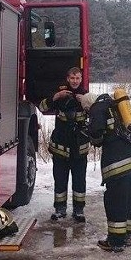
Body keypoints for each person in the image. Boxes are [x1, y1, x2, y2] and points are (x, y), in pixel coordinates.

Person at [79, 92, 131, 253]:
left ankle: (115, 241)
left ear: (88, 105)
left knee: (114, 201)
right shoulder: (114, 105)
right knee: (127, 199)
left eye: (86, 109)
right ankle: (126, 235)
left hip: (117, 162)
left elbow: (97, 135)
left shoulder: (96, 108)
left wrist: (90, 133)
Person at [38, 67, 90, 222]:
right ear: (68, 79)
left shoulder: (86, 96)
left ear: (81, 79)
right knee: (60, 179)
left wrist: (85, 102)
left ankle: (79, 210)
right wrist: (55, 96)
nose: (75, 81)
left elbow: (96, 114)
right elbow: (42, 107)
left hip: (79, 147)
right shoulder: (60, 94)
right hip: (60, 147)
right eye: (72, 78)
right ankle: (60, 209)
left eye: (78, 78)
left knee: (79, 180)